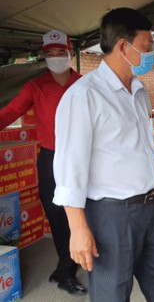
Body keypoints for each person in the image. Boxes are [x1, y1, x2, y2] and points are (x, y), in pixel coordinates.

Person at [52, 8, 154, 301]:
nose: (151, 54)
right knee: (112, 291)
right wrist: (78, 228)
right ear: (123, 46)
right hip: (111, 214)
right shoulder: (84, 95)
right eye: (147, 47)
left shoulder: (138, 90)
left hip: (153, 206)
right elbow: (69, 166)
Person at [0, 30, 85, 295]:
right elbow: (12, 111)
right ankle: (65, 266)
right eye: (50, 54)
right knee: (55, 214)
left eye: (61, 53)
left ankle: (66, 271)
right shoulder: (36, 86)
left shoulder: (84, 84)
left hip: (80, 159)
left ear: (70, 54)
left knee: (77, 215)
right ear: (44, 57)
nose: (56, 58)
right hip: (49, 159)